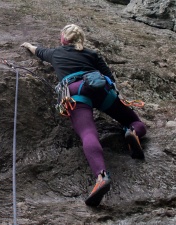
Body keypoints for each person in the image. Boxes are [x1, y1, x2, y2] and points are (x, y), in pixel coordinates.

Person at [21, 24, 146, 207]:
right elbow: (109, 76)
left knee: (88, 132)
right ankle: (132, 132)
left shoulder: (56, 53)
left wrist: (28, 45)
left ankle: (101, 176)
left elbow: (37, 51)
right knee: (134, 120)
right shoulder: (92, 54)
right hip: (100, 88)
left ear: (63, 38)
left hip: (75, 91)